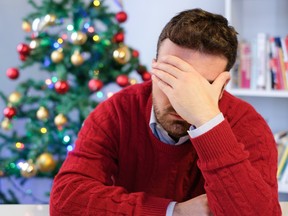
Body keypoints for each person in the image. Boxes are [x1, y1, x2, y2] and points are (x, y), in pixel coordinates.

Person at [50, 8, 281, 216]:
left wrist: (208, 123)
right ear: (154, 69)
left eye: (201, 86)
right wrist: (173, 212)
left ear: (222, 86)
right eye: (170, 78)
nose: (180, 98)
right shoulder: (118, 111)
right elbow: (65, 201)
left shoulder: (248, 125)